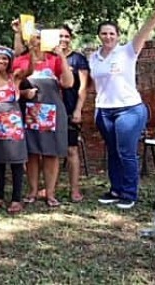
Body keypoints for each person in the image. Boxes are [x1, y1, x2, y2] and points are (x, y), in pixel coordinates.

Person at [91, 0, 155, 209]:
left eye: (112, 33)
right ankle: (115, 190)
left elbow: (145, 31)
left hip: (129, 110)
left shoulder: (128, 51)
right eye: (104, 33)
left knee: (126, 152)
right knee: (112, 151)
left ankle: (129, 193)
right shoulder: (94, 57)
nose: (108, 36)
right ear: (99, 36)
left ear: (118, 36)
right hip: (103, 111)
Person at [12, 20, 73, 207]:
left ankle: (50, 193)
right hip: (29, 111)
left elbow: (68, 83)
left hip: (52, 112)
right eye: (32, 38)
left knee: (51, 153)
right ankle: (32, 191)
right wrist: (24, 93)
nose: (36, 42)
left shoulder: (54, 60)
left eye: (39, 38)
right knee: (32, 153)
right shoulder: (21, 60)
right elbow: (12, 88)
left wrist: (61, 55)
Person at [0, 46, 30, 214]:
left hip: (14, 125)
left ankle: (16, 199)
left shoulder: (14, 78)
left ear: (10, 60)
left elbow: (28, 68)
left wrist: (27, 45)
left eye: (4, 58)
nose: (0, 61)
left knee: (17, 163)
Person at [59, 25, 89, 202]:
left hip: (70, 110)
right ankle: (49, 189)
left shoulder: (78, 59)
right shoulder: (48, 57)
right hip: (50, 111)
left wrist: (78, 109)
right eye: (60, 36)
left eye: (66, 36)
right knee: (50, 153)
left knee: (71, 150)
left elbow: (84, 87)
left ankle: (74, 190)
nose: (63, 39)